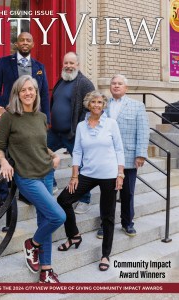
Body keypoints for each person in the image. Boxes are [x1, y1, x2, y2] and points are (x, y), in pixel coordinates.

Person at [0, 75, 66, 283]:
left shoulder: (41, 116)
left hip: (46, 172)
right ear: (17, 93)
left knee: (46, 219)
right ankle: (31, 245)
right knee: (58, 216)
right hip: (27, 177)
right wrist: (4, 163)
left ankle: (46, 271)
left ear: (36, 92)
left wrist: (54, 155)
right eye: (23, 90)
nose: (28, 93)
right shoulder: (9, 116)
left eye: (31, 89)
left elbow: (40, 146)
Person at [57, 91, 125, 271]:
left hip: (109, 175)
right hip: (87, 173)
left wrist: (120, 174)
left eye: (100, 102)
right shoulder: (81, 126)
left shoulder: (111, 124)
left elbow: (119, 149)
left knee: (107, 215)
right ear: (88, 104)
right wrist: (74, 175)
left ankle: (105, 255)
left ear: (104, 105)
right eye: (93, 102)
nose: (96, 105)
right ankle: (74, 235)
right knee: (63, 200)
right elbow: (77, 151)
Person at [0, 32, 50, 206]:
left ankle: (26, 193)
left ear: (32, 44)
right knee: (7, 155)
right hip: (10, 118)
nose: (25, 43)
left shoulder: (39, 66)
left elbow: (44, 94)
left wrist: (46, 120)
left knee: (29, 155)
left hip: (31, 119)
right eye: (22, 40)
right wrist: (0, 107)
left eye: (28, 40)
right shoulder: (4, 62)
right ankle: (4, 197)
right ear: (16, 43)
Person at [97, 74, 150, 239]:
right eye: (113, 83)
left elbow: (143, 130)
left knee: (127, 193)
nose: (116, 86)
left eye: (120, 84)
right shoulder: (103, 105)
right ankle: (105, 224)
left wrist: (141, 154)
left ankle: (127, 223)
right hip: (107, 157)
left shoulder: (137, 106)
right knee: (107, 193)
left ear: (126, 88)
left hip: (128, 157)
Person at [47, 51, 95, 214]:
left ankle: (84, 200)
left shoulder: (84, 83)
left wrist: (79, 130)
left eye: (71, 63)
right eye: (66, 63)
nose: (68, 66)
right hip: (55, 132)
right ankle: (51, 184)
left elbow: (90, 109)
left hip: (73, 134)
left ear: (77, 65)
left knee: (82, 166)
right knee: (41, 153)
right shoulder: (61, 80)